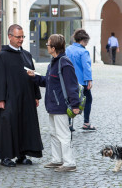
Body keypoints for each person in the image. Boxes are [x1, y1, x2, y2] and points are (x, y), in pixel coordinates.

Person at [27, 34, 79, 172]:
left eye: (48, 45)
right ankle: (57, 160)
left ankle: (69, 163)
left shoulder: (64, 63)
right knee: (54, 133)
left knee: (63, 134)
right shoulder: (53, 62)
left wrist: (75, 105)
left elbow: (71, 85)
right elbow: (47, 81)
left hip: (61, 105)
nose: (47, 47)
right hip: (52, 105)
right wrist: (35, 77)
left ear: (54, 47)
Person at [0, 24, 43, 167]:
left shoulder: (26, 55)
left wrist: (36, 95)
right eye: (18, 37)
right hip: (9, 98)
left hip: (26, 97)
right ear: (10, 37)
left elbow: (33, 75)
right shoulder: (2, 56)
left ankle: (22, 155)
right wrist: (0, 99)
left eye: (22, 37)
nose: (21, 39)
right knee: (8, 125)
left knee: (24, 125)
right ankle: (6, 156)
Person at [66, 29, 96, 131]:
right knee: (88, 100)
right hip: (81, 82)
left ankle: (68, 124)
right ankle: (86, 123)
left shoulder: (68, 49)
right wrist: (89, 80)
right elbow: (86, 67)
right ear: (82, 40)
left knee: (70, 101)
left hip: (69, 81)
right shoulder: (84, 52)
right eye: (86, 41)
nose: (87, 43)